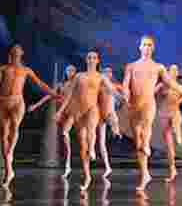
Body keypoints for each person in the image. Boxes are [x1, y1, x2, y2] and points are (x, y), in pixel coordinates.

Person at [121, 35, 182, 190]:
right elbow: (125, 84)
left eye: (150, 45)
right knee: (138, 143)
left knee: (146, 131)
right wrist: (126, 94)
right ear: (140, 47)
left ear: (153, 48)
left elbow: (172, 84)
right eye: (144, 44)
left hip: (149, 104)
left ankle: (146, 144)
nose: (147, 47)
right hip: (134, 105)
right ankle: (145, 174)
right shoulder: (131, 66)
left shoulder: (158, 67)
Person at [0, 44, 59, 188]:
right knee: (4, 135)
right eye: (14, 49)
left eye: (18, 49)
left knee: (15, 127)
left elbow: (40, 83)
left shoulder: (26, 70)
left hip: (17, 102)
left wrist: (52, 93)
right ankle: (9, 168)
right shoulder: (3, 68)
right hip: (3, 101)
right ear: (11, 53)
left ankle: (10, 153)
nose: (16, 51)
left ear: (21, 53)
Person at [55, 50, 119, 190]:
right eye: (89, 57)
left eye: (94, 58)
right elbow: (69, 96)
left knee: (91, 130)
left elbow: (112, 89)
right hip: (79, 111)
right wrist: (60, 111)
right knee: (82, 146)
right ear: (86, 60)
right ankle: (87, 175)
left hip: (92, 108)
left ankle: (92, 150)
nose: (91, 59)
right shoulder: (79, 76)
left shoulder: (101, 77)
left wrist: (121, 96)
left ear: (97, 60)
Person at [27, 64, 78, 178]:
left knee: (65, 132)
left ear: (75, 72)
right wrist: (35, 105)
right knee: (64, 138)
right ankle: (67, 163)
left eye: (72, 70)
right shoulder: (60, 85)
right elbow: (49, 95)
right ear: (65, 72)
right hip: (62, 113)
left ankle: (70, 162)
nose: (70, 72)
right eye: (68, 70)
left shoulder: (77, 84)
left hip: (72, 112)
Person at [154, 64, 182, 181]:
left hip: (175, 113)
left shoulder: (179, 86)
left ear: (177, 73)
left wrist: (180, 100)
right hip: (164, 113)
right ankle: (172, 169)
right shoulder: (163, 85)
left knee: (176, 119)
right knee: (169, 145)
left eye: (176, 70)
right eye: (171, 70)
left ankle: (178, 133)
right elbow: (152, 92)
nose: (174, 72)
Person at [97, 66, 124, 178]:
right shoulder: (98, 86)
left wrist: (122, 97)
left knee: (114, 119)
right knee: (101, 142)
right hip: (100, 115)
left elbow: (122, 90)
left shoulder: (114, 86)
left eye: (109, 72)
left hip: (110, 113)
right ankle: (107, 167)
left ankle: (116, 133)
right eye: (106, 72)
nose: (108, 74)